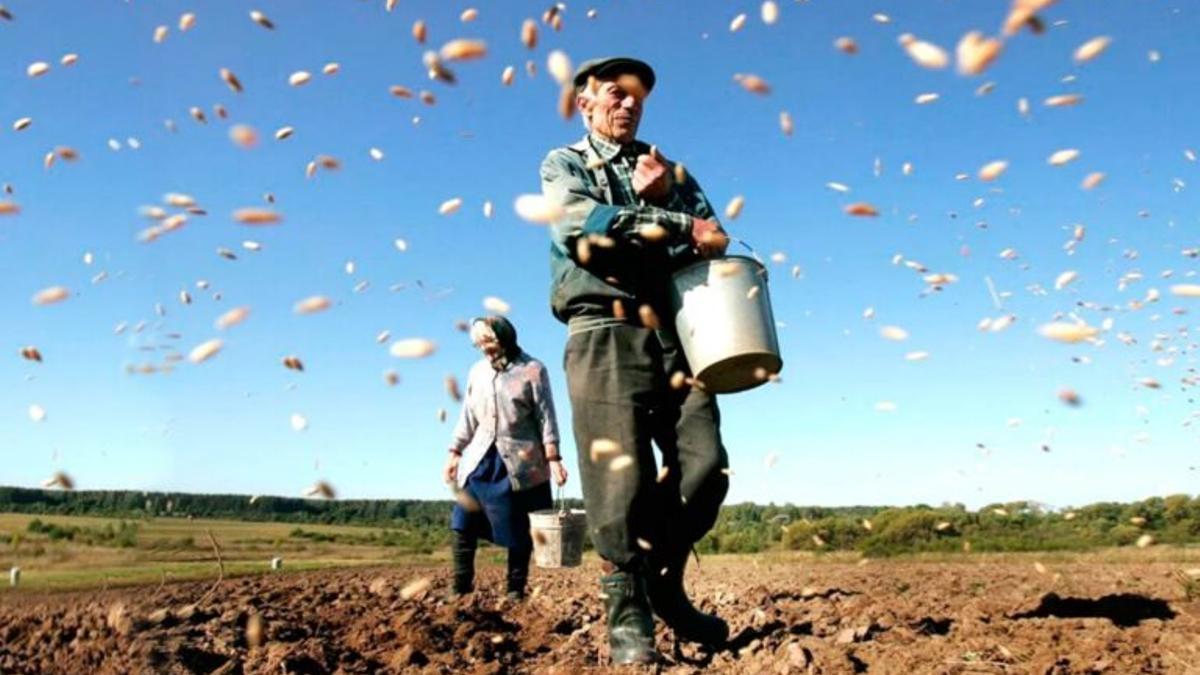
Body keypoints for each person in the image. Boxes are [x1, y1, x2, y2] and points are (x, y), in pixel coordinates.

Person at [539, 56, 732, 663]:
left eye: (637, 97)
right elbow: (584, 232)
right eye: (615, 95)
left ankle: (664, 580)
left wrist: (673, 204)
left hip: (676, 326)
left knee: (705, 466)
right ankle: (630, 617)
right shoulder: (563, 164)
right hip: (603, 326)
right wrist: (671, 217)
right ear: (585, 104)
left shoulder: (667, 168)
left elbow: (717, 237)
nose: (629, 104)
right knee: (618, 482)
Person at [444, 316, 568, 600]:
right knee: (462, 521)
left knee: (519, 529)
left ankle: (515, 590)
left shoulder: (533, 370)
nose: (485, 350)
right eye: (480, 345)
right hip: (481, 459)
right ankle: (460, 589)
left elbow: (546, 416)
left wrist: (554, 458)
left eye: (489, 342)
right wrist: (454, 453)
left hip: (522, 463)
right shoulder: (477, 372)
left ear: (505, 338)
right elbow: (468, 416)